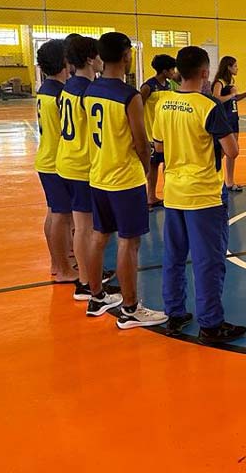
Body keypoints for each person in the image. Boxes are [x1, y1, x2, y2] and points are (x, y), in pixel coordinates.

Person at [153, 46, 246, 343]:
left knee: (174, 257)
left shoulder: (164, 104)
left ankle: (175, 313)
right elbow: (232, 150)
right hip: (204, 194)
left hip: (174, 191)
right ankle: (210, 323)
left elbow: (158, 148)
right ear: (205, 72)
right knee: (208, 260)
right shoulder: (208, 107)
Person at [84, 32, 166, 329]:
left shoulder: (90, 90)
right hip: (124, 179)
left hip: (98, 175)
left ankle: (96, 297)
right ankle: (131, 308)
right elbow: (141, 142)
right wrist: (145, 169)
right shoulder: (127, 95)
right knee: (128, 243)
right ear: (126, 55)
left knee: (99, 236)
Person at [55, 36, 113, 302]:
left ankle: (87, 278)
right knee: (85, 227)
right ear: (91, 59)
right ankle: (88, 284)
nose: (102, 60)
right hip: (81, 166)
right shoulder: (88, 92)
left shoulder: (69, 87)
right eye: (98, 55)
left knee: (82, 226)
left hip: (67, 160)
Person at [35, 40, 79, 284]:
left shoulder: (46, 89)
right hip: (56, 161)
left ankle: (57, 262)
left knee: (55, 213)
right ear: (65, 62)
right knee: (60, 216)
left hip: (47, 158)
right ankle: (63, 268)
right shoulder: (61, 94)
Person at [141, 54, 177, 210]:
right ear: (164, 71)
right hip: (151, 133)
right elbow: (137, 106)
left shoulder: (169, 85)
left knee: (167, 165)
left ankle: (165, 194)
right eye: (172, 69)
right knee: (151, 167)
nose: (174, 72)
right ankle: (149, 196)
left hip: (167, 133)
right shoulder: (148, 86)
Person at [212, 56, 246, 192]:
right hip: (225, 120)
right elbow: (216, 98)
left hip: (234, 118)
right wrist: (231, 95)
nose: (237, 68)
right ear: (228, 67)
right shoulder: (219, 82)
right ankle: (216, 179)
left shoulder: (230, 82)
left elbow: (235, 98)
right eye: (235, 66)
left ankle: (229, 181)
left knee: (232, 153)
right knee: (221, 152)